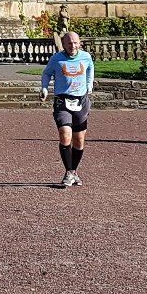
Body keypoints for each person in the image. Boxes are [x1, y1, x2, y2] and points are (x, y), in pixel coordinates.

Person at [39, 30, 95, 188]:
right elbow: (46, 74)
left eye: (75, 43)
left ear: (79, 43)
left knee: (79, 139)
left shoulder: (86, 57)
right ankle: (69, 172)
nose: (73, 46)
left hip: (81, 101)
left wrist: (89, 84)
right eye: (69, 43)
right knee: (65, 134)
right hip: (62, 100)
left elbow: (90, 68)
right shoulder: (56, 59)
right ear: (63, 44)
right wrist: (44, 88)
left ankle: (73, 171)